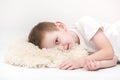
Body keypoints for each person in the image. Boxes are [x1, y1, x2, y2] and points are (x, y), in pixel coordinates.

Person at [28, 16, 119, 71]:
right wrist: (98, 65)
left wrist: (80, 62)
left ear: (61, 26)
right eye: (55, 50)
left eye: (57, 41)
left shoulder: (84, 23)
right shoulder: (77, 52)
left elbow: (108, 51)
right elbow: (114, 58)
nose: (60, 48)